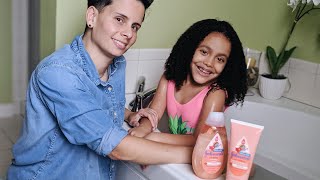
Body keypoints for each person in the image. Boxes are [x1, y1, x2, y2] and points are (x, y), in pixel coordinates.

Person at [7, 0, 193, 179]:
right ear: (92, 17)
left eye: (135, 26)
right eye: (120, 19)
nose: (128, 33)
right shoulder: (58, 72)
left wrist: (128, 115)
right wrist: (195, 154)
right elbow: (115, 147)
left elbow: (93, 105)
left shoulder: (117, 64)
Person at [128, 19, 247, 152]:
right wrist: (143, 129)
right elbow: (153, 114)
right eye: (204, 52)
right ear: (190, 48)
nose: (209, 63)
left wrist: (154, 138)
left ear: (228, 66)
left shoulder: (215, 93)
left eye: (220, 59)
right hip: (181, 150)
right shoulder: (169, 79)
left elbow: (199, 139)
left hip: (209, 156)